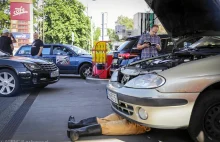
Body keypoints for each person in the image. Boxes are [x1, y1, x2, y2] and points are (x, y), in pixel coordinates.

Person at [67, 113, 151, 141]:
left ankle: (78, 132)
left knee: (107, 126)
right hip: (129, 113)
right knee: (104, 120)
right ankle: (74, 125)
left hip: (142, 122)